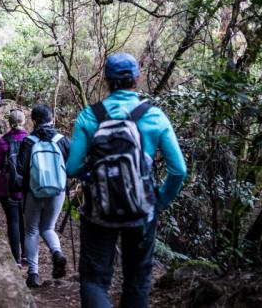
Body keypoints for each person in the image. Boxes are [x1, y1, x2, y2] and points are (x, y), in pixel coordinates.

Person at [65, 52, 187, 308]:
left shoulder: (90, 116)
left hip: (99, 209)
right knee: (137, 278)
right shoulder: (154, 116)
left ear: (106, 80)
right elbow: (178, 171)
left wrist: (95, 176)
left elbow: (73, 167)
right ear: (137, 79)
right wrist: (159, 202)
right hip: (142, 210)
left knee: (94, 279)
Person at [17, 104, 70, 288]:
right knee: (48, 227)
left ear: (33, 121)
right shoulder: (62, 140)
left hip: (33, 190)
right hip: (57, 191)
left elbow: (21, 169)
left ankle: (33, 274)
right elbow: (71, 168)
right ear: (51, 119)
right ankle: (56, 253)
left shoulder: (28, 141)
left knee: (31, 230)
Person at [0, 110, 28, 268]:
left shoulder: (4, 141)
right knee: (25, 220)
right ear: (24, 121)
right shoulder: (30, 140)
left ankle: (16, 259)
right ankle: (27, 254)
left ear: (10, 122)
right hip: (26, 187)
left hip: (6, 187)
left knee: (13, 221)